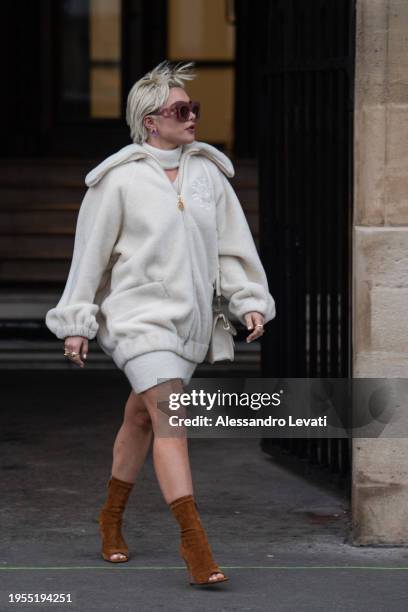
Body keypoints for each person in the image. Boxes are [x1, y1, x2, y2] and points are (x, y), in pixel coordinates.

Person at [45, 60, 276, 586]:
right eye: (179, 109)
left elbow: (233, 249)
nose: (191, 116)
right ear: (151, 120)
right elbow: (90, 258)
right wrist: (77, 321)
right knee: (172, 416)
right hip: (137, 318)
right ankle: (195, 546)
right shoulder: (117, 179)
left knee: (142, 418)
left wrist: (248, 301)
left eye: (192, 108)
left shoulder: (210, 175)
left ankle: (110, 518)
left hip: (189, 323)